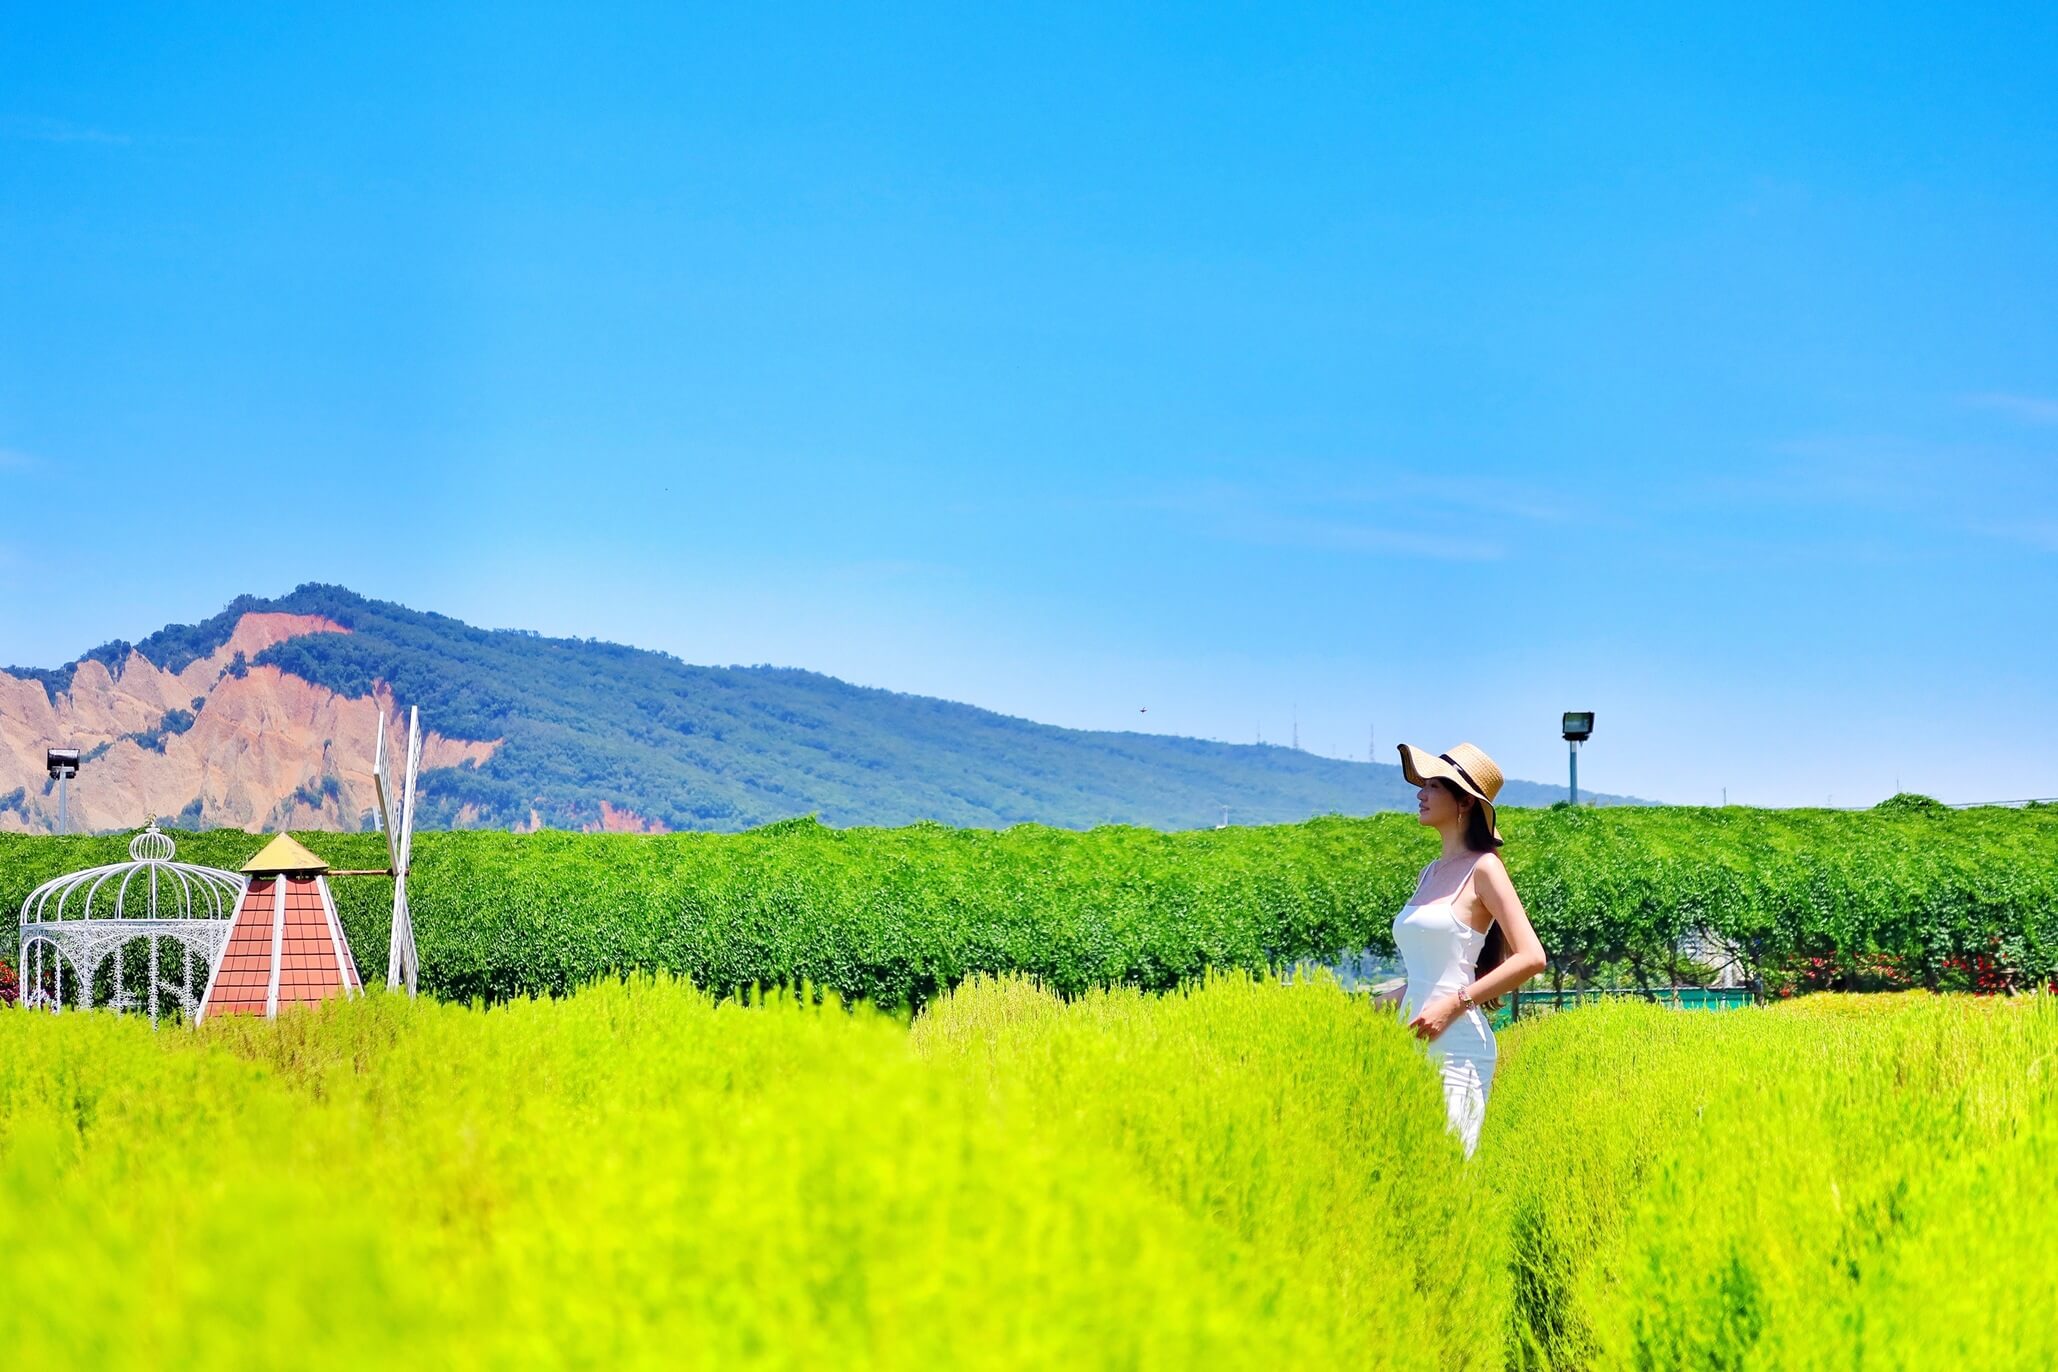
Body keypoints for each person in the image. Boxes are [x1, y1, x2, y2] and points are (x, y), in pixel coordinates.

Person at [1375, 741, 1548, 1158]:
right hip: (1410, 1039)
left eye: (1433, 786)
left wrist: (1454, 1004)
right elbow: (1433, 965)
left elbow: (1532, 957)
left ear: (1465, 802)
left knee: (1451, 1174)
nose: (1420, 794)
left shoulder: (1485, 868)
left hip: (1457, 1049)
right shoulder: (1429, 873)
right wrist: (1393, 997)